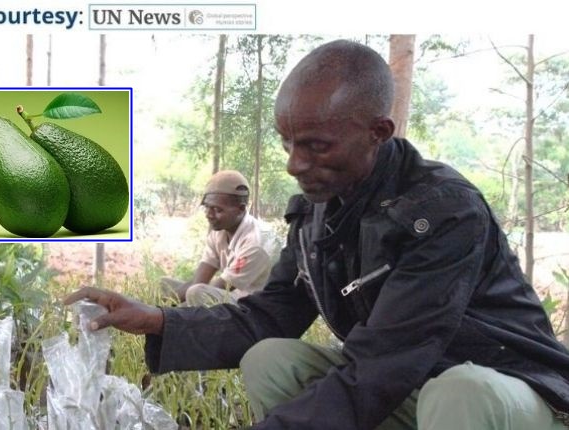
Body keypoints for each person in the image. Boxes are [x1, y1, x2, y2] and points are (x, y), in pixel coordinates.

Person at [64, 39, 569, 429]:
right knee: (270, 358)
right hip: (411, 386)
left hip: (504, 389)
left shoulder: (441, 211)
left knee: (459, 393)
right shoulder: (316, 210)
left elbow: (386, 361)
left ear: (378, 131)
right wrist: (155, 320)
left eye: (316, 145)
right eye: (287, 142)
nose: (293, 164)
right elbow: (269, 315)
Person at [160, 170, 274, 306]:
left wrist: (164, 313)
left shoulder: (256, 243)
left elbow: (215, 289)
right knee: (164, 284)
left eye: (217, 210)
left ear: (241, 209)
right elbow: (199, 281)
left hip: (256, 309)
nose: (209, 215)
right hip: (232, 297)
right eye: (207, 207)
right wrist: (160, 305)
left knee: (196, 293)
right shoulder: (219, 231)